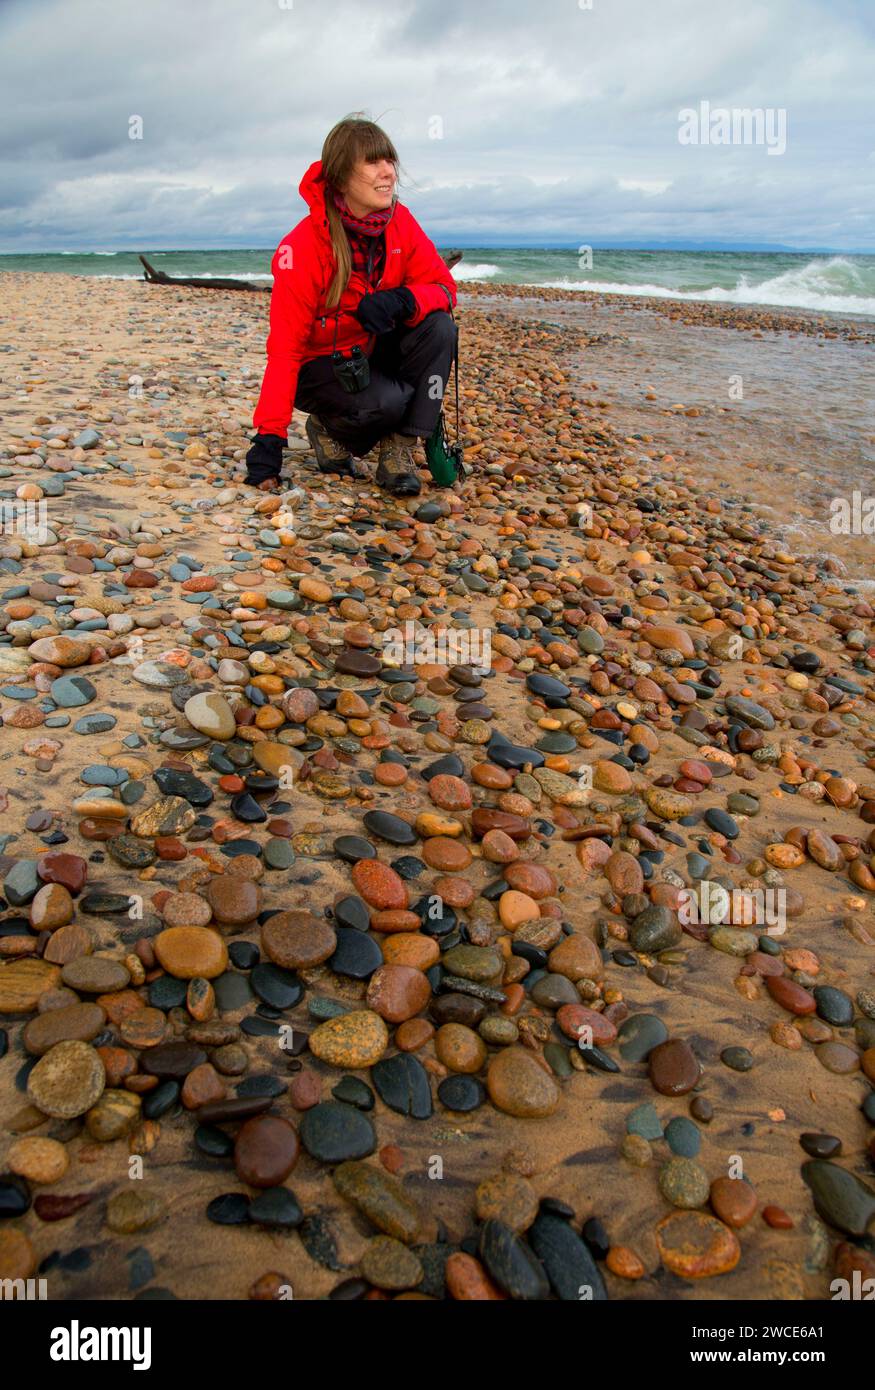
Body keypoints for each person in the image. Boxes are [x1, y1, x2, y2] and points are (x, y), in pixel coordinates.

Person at [246, 116, 458, 497]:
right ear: (342, 178)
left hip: (369, 350)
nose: (388, 173)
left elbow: (444, 288)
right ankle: (327, 429)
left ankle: (399, 450)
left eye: (389, 161)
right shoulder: (303, 246)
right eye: (373, 162)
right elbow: (285, 351)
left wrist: (405, 299)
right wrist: (268, 443)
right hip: (320, 367)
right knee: (390, 401)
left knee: (440, 327)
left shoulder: (401, 223)